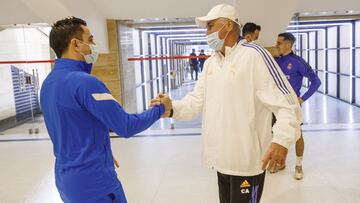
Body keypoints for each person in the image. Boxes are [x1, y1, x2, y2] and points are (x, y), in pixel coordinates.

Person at [151, 4, 302, 203]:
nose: (206, 32)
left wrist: (281, 140)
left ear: (228, 26)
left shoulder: (254, 55)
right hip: (221, 161)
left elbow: (287, 103)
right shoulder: (211, 63)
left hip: (248, 163)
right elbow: (196, 100)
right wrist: (172, 108)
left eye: (210, 26)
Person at [40, 17, 171, 203]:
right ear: (76, 44)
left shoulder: (48, 84)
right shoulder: (85, 83)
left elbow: (71, 126)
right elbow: (125, 126)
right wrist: (161, 109)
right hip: (94, 183)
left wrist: (102, 152)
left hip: (66, 179)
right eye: (91, 39)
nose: (94, 46)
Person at [273, 32, 321, 180]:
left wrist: (302, 98)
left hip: (292, 106)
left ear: (288, 44)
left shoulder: (298, 62)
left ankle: (299, 165)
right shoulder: (274, 60)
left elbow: (316, 81)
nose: (276, 45)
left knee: (297, 135)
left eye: (279, 43)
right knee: (278, 134)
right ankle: (280, 163)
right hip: (275, 105)